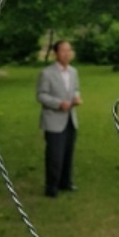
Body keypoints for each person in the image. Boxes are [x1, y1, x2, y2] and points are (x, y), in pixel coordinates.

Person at [37, 40, 82, 197]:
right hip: (53, 120)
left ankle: (65, 183)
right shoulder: (47, 73)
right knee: (54, 155)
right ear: (56, 53)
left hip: (70, 119)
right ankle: (51, 187)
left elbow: (75, 89)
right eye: (63, 51)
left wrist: (76, 98)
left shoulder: (73, 72)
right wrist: (58, 104)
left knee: (68, 153)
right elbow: (41, 95)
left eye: (69, 50)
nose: (67, 54)